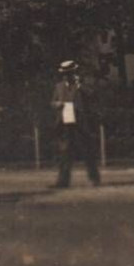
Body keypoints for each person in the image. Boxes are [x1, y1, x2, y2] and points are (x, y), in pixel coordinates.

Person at [51, 60, 100, 188]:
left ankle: (94, 178)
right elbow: (53, 101)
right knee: (64, 153)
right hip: (65, 122)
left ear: (74, 73)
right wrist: (57, 104)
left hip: (80, 122)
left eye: (69, 73)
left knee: (87, 150)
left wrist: (80, 86)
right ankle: (63, 181)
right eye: (64, 74)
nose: (66, 76)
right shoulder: (59, 86)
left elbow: (91, 96)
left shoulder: (81, 86)